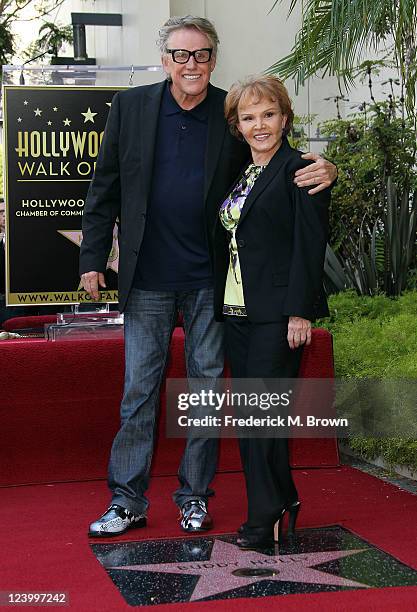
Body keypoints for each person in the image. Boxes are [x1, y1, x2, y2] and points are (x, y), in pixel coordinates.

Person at [80, 15, 337, 538]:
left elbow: (276, 160)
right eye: (180, 54)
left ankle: (193, 497)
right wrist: (90, 257)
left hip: (211, 283)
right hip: (146, 279)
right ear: (165, 60)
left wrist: (325, 168)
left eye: (200, 55)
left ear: (213, 59)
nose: (190, 64)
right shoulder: (130, 108)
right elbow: (104, 185)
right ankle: (126, 500)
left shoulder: (231, 113)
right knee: (139, 394)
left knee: (204, 394)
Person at [214, 75, 331, 549]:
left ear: (284, 117)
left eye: (267, 114)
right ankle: (281, 500)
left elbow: (309, 244)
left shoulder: (300, 169)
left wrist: (299, 312)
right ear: (237, 126)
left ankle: (265, 516)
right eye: (248, 117)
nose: (258, 125)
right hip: (236, 312)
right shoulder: (241, 171)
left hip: (277, 315)